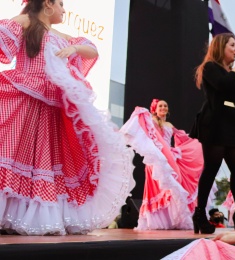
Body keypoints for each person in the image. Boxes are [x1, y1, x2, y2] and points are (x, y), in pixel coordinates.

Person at [0, 0, 135, 235]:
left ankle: (33, 216)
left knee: (46, 160)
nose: (64, 9)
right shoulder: (26, 22)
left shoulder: (61, 34)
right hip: (26, 97)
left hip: (52, 105)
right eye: (61, 4)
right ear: (47, 4)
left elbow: (91, 49)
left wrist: (73, 49)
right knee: (15, 153)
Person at [190, 32, 235, 234]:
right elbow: (223, 85)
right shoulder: (211, 68)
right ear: (221, 47)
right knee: (211, 168)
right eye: (232, 46)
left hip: (232, 126)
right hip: (214, 124)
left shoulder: (234, 72)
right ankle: (200, 213)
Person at [120, 99, 209, 230]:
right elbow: (146, 130)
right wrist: (142, 113)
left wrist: (201, 139)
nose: (163, 107)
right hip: (156, 157)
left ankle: (172, 220)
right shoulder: (152, 121)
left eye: (165, 106)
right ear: (155, 109)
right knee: (159, 187)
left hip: (170, 157)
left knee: (172, 187)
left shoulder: (169, 124)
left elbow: (183, 138)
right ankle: (157, 221)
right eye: (160, 105)